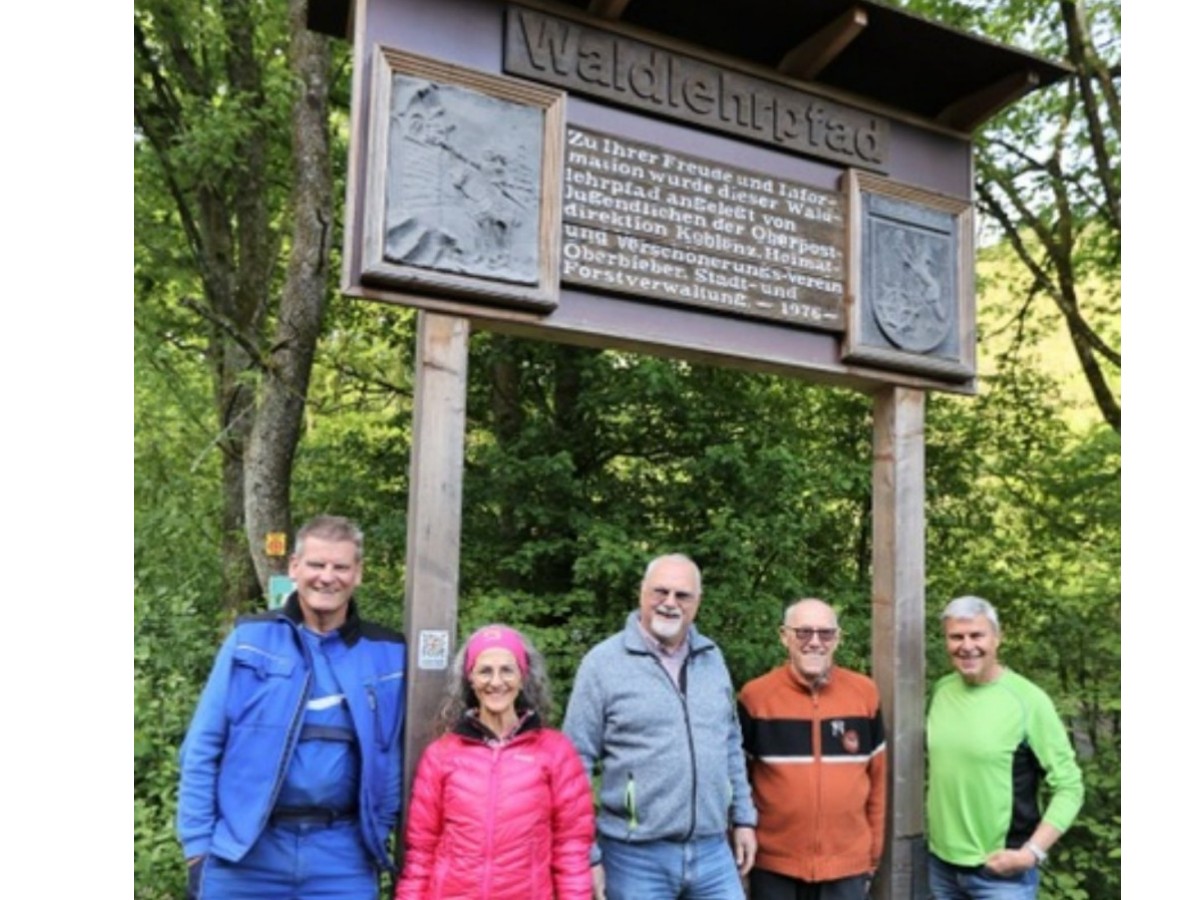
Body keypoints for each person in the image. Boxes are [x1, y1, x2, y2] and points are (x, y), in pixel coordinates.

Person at [176, 515, 406, 899]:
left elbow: (393, 753)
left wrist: (377, 830)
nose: (327, 577)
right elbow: (202, 747)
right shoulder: (249, 640)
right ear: (294, 568)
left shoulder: (387, 653)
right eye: (316, 564)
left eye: (341, 567)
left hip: (341, 859)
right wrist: (198, 848)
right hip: (245, 853)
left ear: (358, 574)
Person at [563, 553, 758, 900]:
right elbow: (573, 762)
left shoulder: (712, 659)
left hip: (713, 850)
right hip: (634, 856)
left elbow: (729, 744)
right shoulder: (603, 663)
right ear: (642, 593)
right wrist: (586, 854)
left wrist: (744, 819)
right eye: (660, 592)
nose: (670, 603)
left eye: (682, 595)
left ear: (697, 603)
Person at [396, 624, 594, 899]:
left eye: (507, 670)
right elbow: (421, 850)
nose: (496, 681)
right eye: (485, 671)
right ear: (471, 679)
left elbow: (571, 847)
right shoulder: (441, 755)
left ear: (523, 677)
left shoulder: (555, 751)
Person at [926, 595, 1084, 899]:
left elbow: (1070, 786)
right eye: (956, 636)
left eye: (977, 635)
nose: (967, 645)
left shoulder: (1028, 700)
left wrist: (1032, 853)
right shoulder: (942, 690)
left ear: (997, 638)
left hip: (1001, 875)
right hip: (941, 867)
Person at [738, 598, 887, 900]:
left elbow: (878, 782)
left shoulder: (864, 694)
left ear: (838, 639)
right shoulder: (756, 698)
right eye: (803, 632)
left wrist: (872, 855)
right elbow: (738, 782)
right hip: (773, 866)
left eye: (826, 633)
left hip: (846, 866)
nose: (815, 642)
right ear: (784, 636)